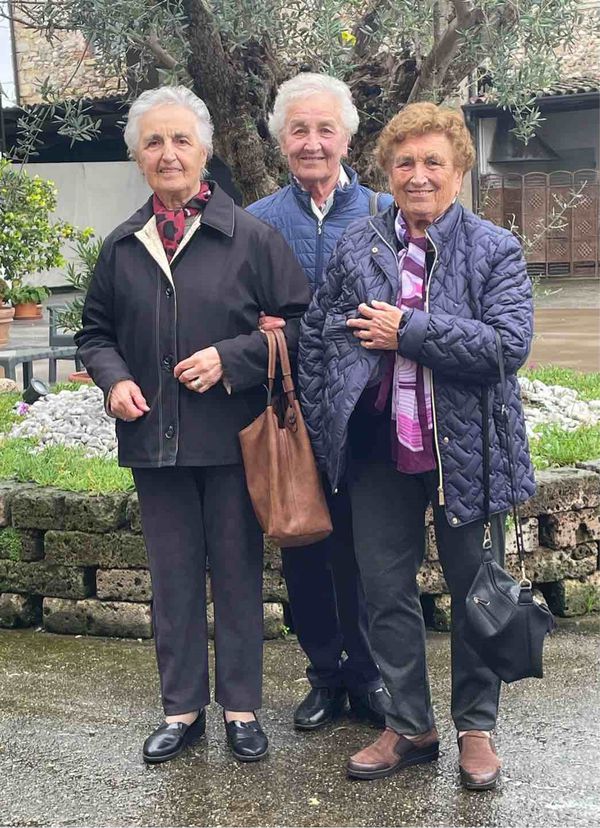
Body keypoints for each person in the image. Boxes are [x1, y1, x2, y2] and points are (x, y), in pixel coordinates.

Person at [299, 102, 535, 789]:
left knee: (476, 593)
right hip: (379, 450)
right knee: (384, 592)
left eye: (434, 162)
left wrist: (412, 331)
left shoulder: (493, 248)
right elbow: (319, 339)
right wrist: (326, 423)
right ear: (387, 172)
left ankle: (475, 728)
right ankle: (409, 723)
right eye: (405, 162)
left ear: (459, 172)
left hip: (470, 450)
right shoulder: (356, 246)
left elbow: (507, 346)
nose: (419, 175)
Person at [75, 86, 310, 764]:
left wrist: (233, 358)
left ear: (204, 151)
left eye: (181, 140)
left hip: (236, 441)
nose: (168, 153)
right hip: (155, 443)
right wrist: (114, 378)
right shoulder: (122, 247)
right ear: (138, 158)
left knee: (237, 574)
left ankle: (240, 709)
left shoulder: (252, 238)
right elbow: (95, 333)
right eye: (154, 142)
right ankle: (181, 711)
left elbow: (302, 324)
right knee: (172, 579)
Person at [247, 73, 393, 731]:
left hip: (372, 417)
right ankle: (325, 677)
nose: (313, 142)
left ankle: (369, 678)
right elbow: (240, 311)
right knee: (304, 546)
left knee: (369, 554)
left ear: (347, 137)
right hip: (296, 419)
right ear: (283, 140)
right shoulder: (257, 223)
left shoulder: (387, 214)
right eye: (299, 129)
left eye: (324, 128)